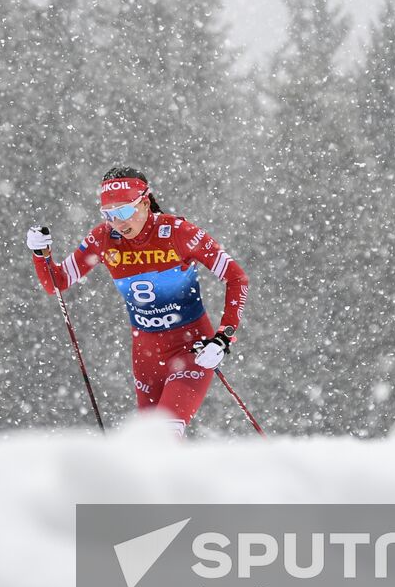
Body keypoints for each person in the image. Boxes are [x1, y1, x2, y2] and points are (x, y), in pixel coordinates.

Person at [26, 167, 249, 436]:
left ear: (145, 202)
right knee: (148, 447)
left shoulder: (178, 232)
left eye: (123, 212)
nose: (117, 223)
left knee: (164, 435)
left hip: (190, 349)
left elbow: (236, 278)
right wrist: (41, 254)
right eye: (109, 215)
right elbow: (57, 283)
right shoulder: (103, 239)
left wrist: (223, 338)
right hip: (146, 355)